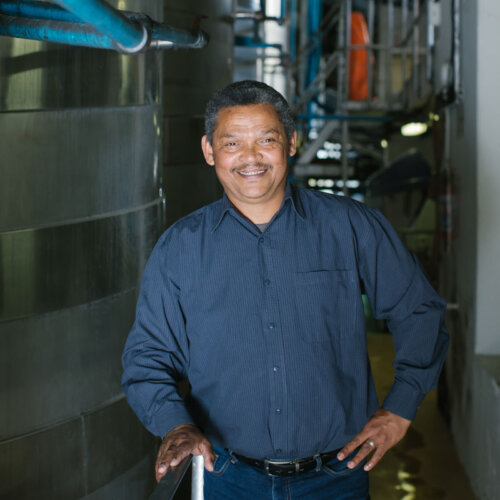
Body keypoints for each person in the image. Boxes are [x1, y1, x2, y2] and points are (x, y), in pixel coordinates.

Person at [121, 80, 448, 499]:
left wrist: (400, 410)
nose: (250, 157)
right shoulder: (180, 248)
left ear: (291, 142)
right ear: (209, 151)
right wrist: (177, 425)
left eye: (266, 139)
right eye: (232, 143)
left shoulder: (350, 226)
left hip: (336, 477)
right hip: (227, 478)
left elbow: (419, 310)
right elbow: (146, 357)